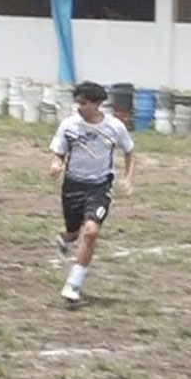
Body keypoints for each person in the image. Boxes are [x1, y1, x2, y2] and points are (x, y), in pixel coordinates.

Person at [49, 80, 137, 304]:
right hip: (73, 186)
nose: (79, 107)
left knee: (90, 231)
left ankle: (74, 284)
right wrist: (57, 164)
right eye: (78, 102)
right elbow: (59, 152)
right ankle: (64, 239)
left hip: (99, 187)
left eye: (84, 103)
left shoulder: (115, 127)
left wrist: (128, 178)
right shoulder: (69, 125)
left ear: (97, 103)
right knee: (73, 231)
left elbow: (130, 151)